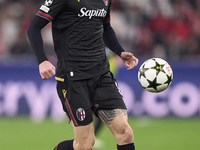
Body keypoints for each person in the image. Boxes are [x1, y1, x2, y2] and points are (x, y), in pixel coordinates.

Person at [27, 0, 138, 150]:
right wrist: (42, 61)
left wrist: (120, 51)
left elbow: (105, 27)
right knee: (85, 145)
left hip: (102, 74)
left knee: (125, 133)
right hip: (73, 78)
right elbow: (34, 27)